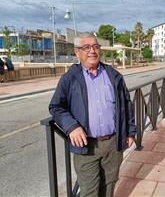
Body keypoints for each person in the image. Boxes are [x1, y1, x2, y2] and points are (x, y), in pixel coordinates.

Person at [49, 33, 136, 197]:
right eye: (86, 47)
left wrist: (130, 131)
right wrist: (71, 126)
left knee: (109, 187)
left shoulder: (113, 75)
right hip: (86, 147)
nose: (92, 51)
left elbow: (126, 104)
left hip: (113, 143)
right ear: (77, 52)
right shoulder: (70, 78)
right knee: (89, 191)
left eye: (95, 47)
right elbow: (56, 107)